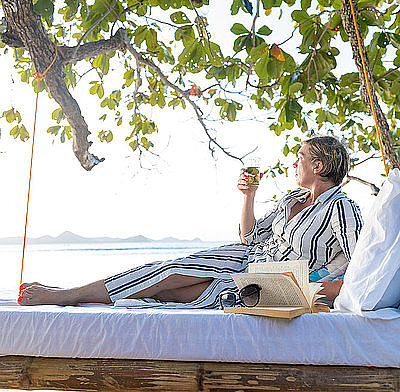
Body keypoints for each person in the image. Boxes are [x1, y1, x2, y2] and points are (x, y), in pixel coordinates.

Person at [19, 136, 363, 308]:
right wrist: (248, 196)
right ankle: (68, 295)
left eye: (300, 157)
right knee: (167, 270)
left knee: (181, 294)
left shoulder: (342, 208)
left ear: (318, 167)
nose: (294, 163)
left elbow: (359, 267)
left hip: (277, 281)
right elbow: (249, 237)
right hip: (246, 257)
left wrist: (309, 293)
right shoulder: (291, 199)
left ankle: (83, 299)